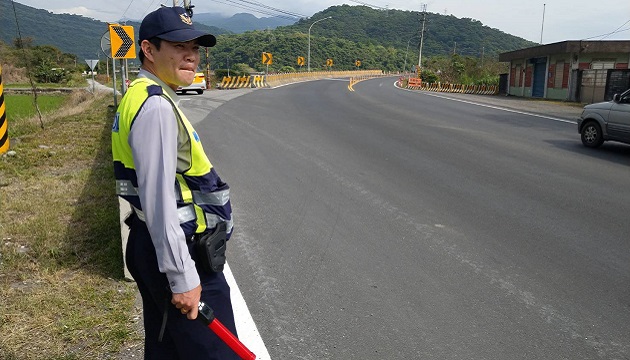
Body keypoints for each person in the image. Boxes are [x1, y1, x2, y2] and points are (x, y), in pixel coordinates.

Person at [111, 6, 239, 359]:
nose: (191, 56)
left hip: (149, 245)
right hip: (179, 253)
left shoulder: (141, 93)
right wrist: (182, 277)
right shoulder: (155, 107)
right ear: (149, 50)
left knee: (167, 348)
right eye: (180, 46)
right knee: (219, 352)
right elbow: (160, 203)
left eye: (196, 48)